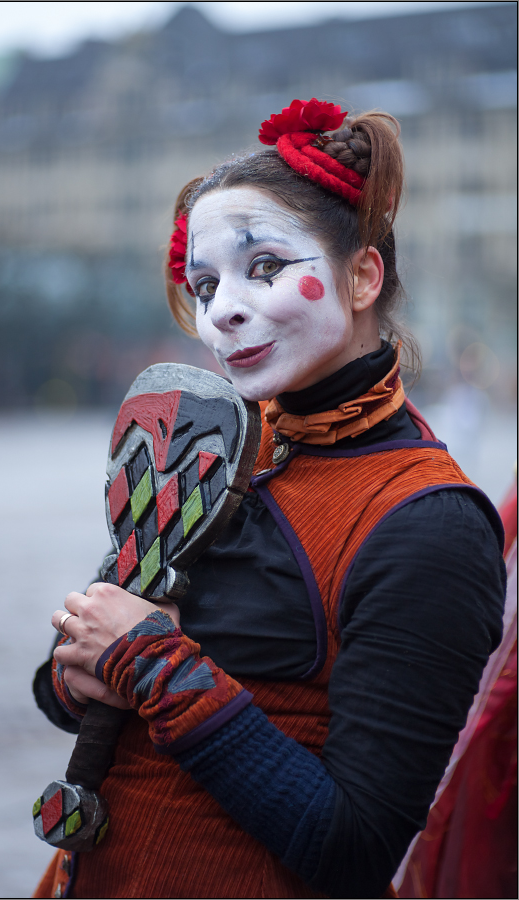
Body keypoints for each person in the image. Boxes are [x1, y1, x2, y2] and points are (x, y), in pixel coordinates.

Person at [33, 98, 506, 900]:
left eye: (264, 269)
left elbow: (354, 850)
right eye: (205, 284)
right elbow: (70, 678)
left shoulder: (431, 522)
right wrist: (79, 673)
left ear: (363, 275)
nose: (224, 312)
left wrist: (150, 661)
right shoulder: (210, 441)